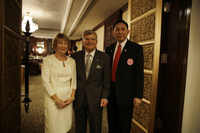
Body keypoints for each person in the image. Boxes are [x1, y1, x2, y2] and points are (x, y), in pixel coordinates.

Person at [105, 20, 144, 133]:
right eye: (117, 29)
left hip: (127, 95)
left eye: (123, 29)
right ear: (113, 32)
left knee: (124, 126)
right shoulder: (109, 49)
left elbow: (139, 73)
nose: (120, 32)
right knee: (111, 124)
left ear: (128, 32)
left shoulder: (136, 48)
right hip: (111, 94)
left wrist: (138, 95)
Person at [73, 30, 111, 133]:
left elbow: (107, 80)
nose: (90, 41)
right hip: (79, 98)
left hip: (96, 99)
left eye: (92, 39)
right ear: (83, 41)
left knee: (95, 128)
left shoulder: (104, 57)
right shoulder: (75, 57)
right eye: (87, 39)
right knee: (79, 128)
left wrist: (105, 97)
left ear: (96, 41)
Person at [42, 33, 76, 133]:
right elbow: (45, 82)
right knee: (53, 128)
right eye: (60, 43)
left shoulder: (72, 61)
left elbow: (74, 79)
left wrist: (72, 97)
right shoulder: (48, 60)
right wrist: (57, 100)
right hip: (53, 99)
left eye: (65, 43)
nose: (63, 45)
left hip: (67, 99)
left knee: (65, 127)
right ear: (55, 45)